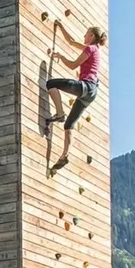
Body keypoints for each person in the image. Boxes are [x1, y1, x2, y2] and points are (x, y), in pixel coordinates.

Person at [44, 21, 107, 171]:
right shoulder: (94, 49)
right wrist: (59, 26)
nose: (84, 35)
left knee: (51, 84)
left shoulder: (91, 48)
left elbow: (72, 65)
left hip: (86, 87)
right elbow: (71, 41)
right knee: (69, 125)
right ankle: (64, 156)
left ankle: (59, 114)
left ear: (91, 36)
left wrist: (61, 57)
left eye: (86, 33)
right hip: (90, 94)